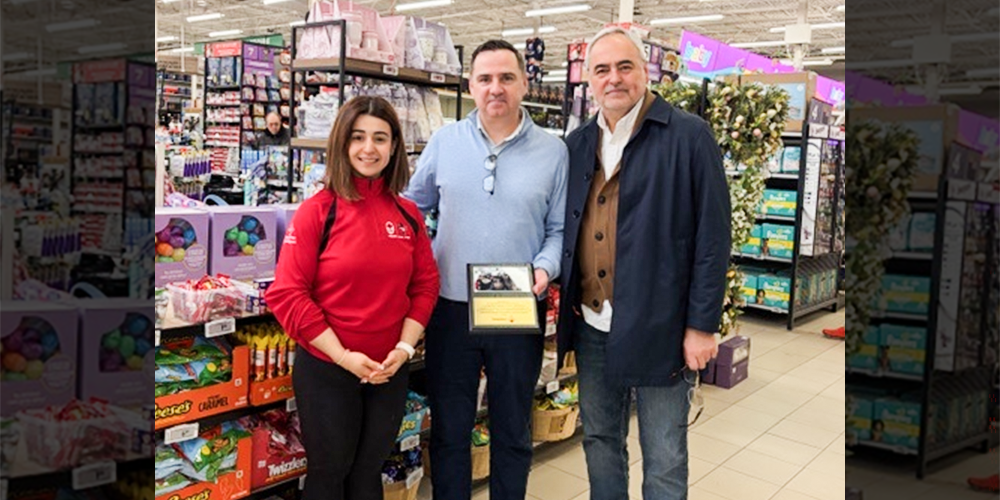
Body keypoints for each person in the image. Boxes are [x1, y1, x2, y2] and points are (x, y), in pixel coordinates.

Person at [557, 27, 731, 500]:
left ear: (645, 71)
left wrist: (701, 326)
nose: (614, 78)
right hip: (592, 324)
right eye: (602, 70)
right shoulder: (575, 146)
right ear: (588, 81)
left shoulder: (690, 136)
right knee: (599, 440)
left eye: (625, 66)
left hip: (662, 327)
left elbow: (713, 239)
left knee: (665, 455)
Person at [403, 39, 568, 500]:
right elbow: (412, 212)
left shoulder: (553, 153)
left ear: (524, 82)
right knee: (451, 429)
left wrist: (545, 267)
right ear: (471, 85)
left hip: (514, 303)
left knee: (513, 428)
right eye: (485, 79)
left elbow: (557, 230)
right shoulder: (445, 141)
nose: (496, 88)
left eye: (506, 78)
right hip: (450, 307)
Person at [266, 96, 439, 500]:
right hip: (328, 369)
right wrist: (343, 356)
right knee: (330, 474)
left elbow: (425, 286)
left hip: (388, 371)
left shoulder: (408, 214)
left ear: (394, 146)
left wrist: (403, 347)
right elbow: (287, 294)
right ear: (342, 143)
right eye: (358, 137)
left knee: (367, 473)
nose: (369, 148)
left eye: (380, 138)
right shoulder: (318, 211)